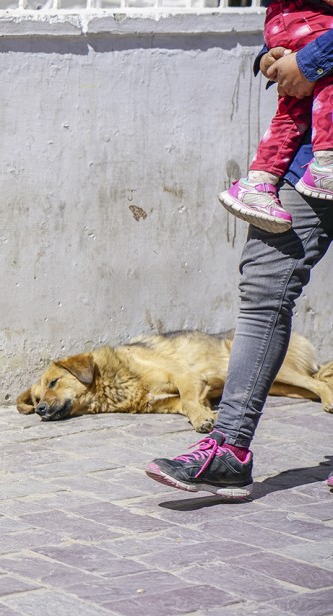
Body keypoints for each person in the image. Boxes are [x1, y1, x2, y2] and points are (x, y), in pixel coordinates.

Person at [146, 35, 333, 497]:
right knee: (264, 286)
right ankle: (229, 448)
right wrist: (277, 53)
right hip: (307, 155)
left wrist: (311, 60)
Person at [219, 0, 333, 234]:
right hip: (309, 22)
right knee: (324, 85)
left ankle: (258, 182)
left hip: (290, 21)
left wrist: (282, 57)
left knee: (295, 108)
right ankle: (327, 163)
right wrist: (307, 62)